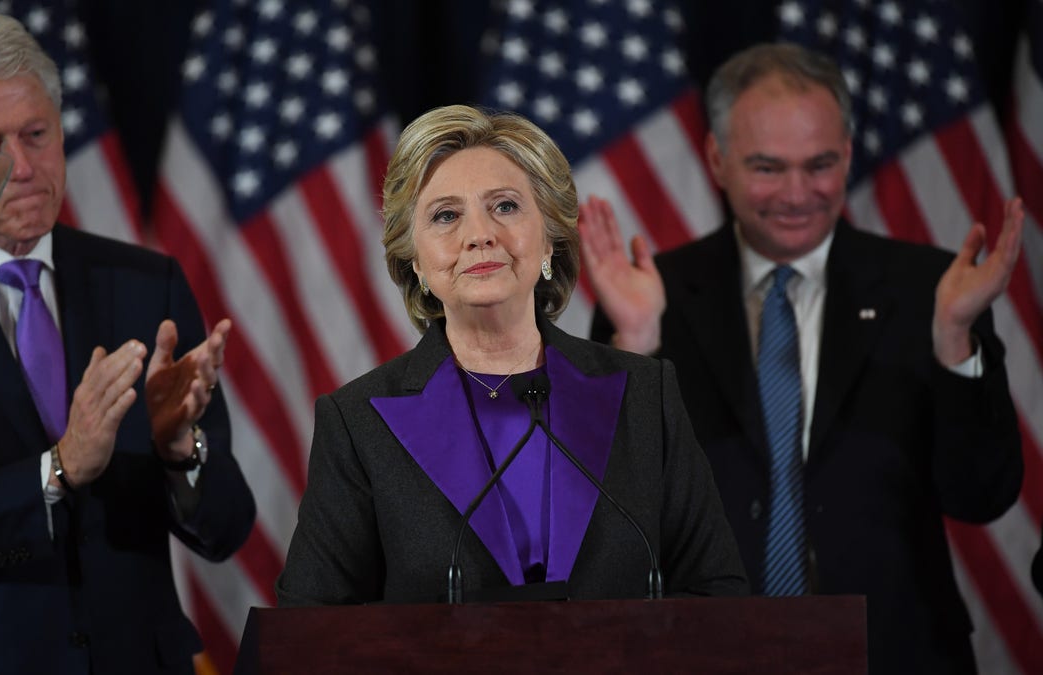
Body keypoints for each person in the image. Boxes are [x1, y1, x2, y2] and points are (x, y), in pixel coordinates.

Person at [580, 43, 1023, 674]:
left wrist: (955, 340)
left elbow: (981, 495)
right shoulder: (651, 298)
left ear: (847, 155)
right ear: (716, 159)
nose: (797, 194)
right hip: (707, 654)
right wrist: (637, 344)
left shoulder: (931, 290)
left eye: (819, 165)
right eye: (767, 167)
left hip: (893, 651)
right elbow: (608, 512)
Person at [0, 15, 255, 674]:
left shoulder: (147, 286)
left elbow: (227, 528)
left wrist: (183, 451)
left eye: (38, 135)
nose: (26, 168)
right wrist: (54, 471)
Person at [275, 104, 747, 606]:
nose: (480, 234)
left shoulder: (645, 394)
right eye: (446, 215)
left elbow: (715, 594)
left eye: (504, 206)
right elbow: (311, 627)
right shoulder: (358, 424)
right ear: (414, 259)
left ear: (548, 238)